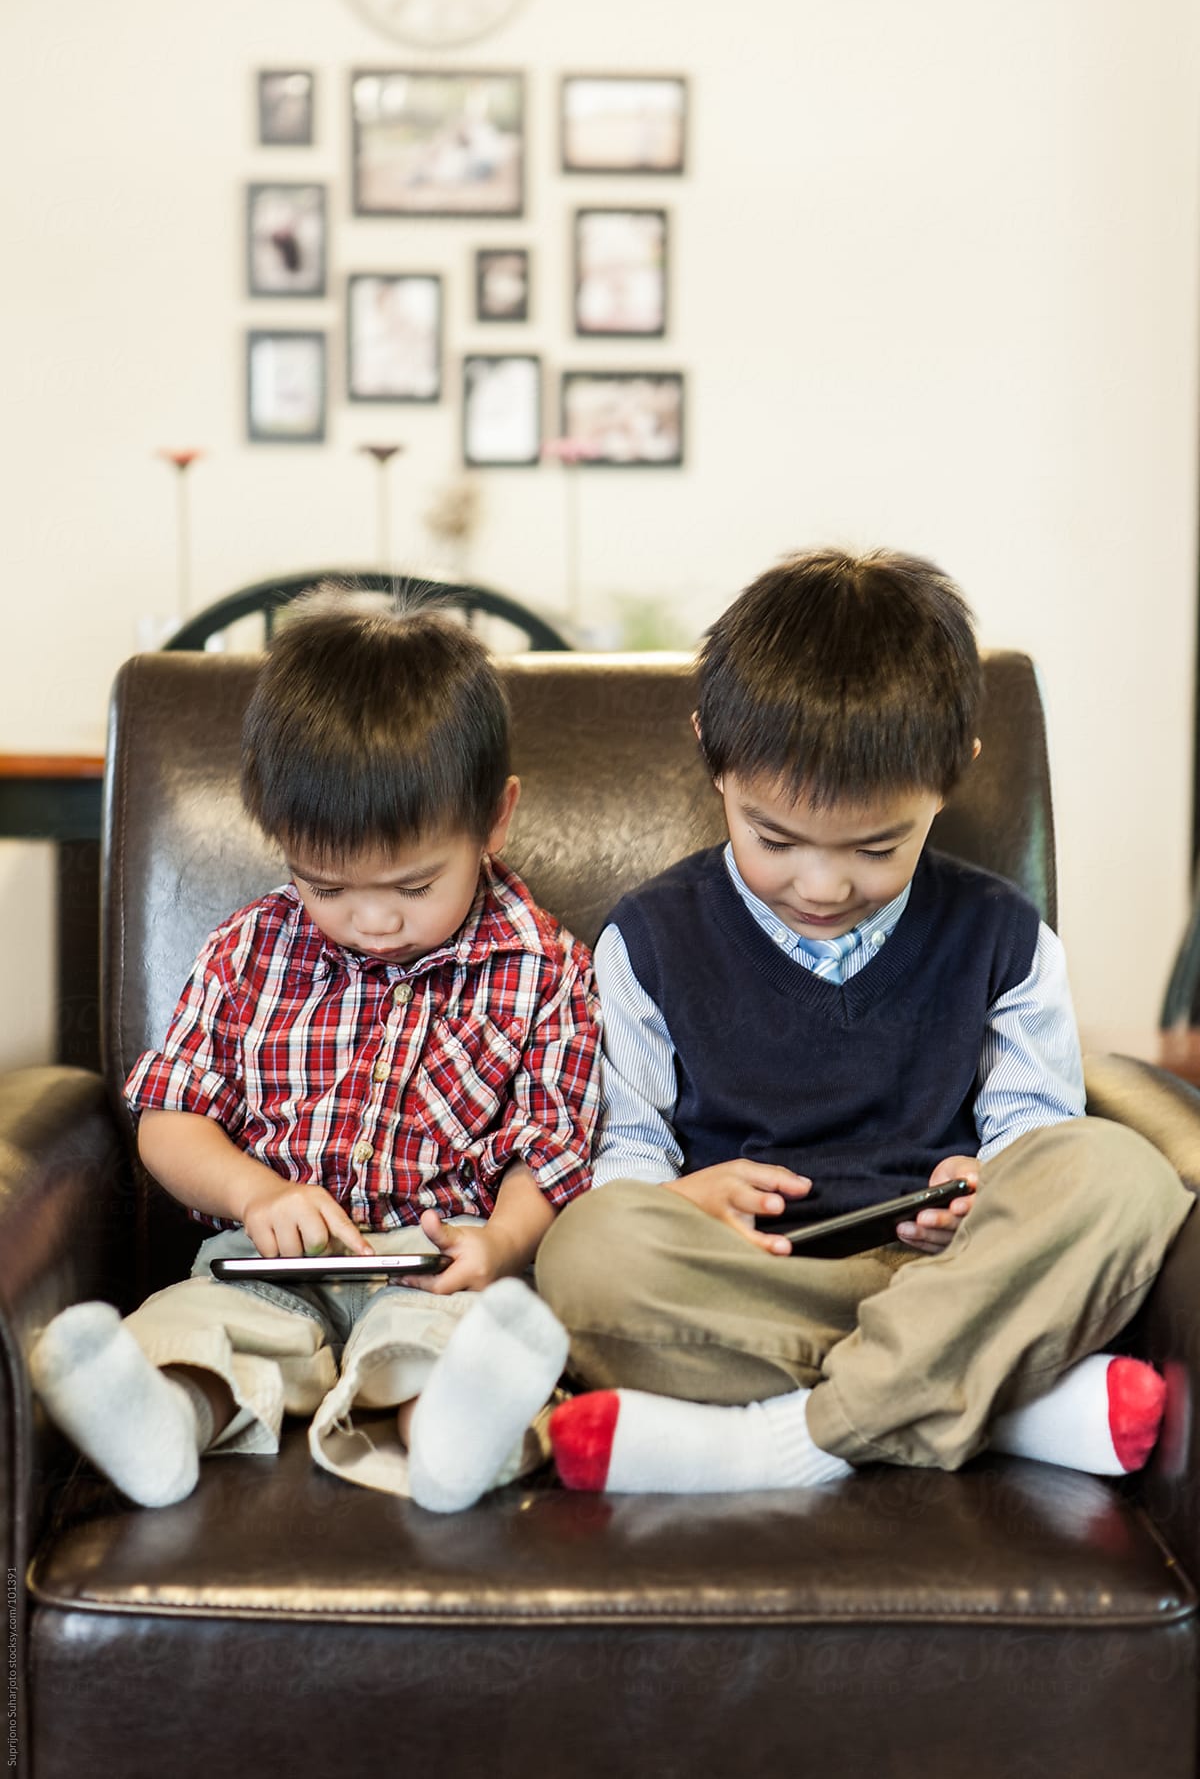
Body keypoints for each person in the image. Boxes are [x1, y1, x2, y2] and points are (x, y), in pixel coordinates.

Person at [537, 548, 1192, 1495]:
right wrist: (686, 1198)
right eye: (774, 838)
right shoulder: (647, 939)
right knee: (588, 1254)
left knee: (1123, 1176)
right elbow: (628, 1155)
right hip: (755, 1281)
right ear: (712, 759)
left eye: (877, 846)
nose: (823, 884)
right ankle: (993, 1400)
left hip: (959, 1273)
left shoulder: (1005, 938)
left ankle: (794, 1437)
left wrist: (987, 1182)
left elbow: (1032, 1136)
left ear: (951, 775)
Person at [31, 591, 600, 1513]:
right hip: (262, 1257)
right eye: (326, 885)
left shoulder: (546, 971)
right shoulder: (249, 948)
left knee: (440, 1348)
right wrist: (253, 1191)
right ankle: (159, 1424)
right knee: (200, 1331)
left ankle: (452, 1440)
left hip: (430, 1258)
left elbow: (554, 1150)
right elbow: (170, 1119)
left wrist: (501, 1240)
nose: (372, 922)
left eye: (415, 885)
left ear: (494, 821)